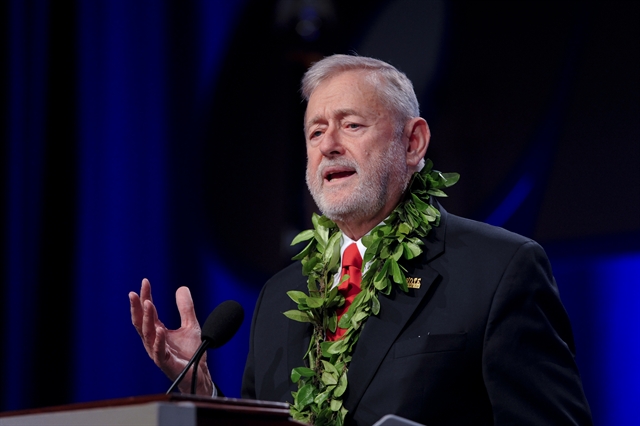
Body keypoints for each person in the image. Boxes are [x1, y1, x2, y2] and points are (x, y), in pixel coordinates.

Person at [130, 54, 592, 425]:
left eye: (351, 125)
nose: (328, 144)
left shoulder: (498, 270)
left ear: (413, 143)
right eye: (315, 131)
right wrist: (203, 393)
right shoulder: (279, 298)